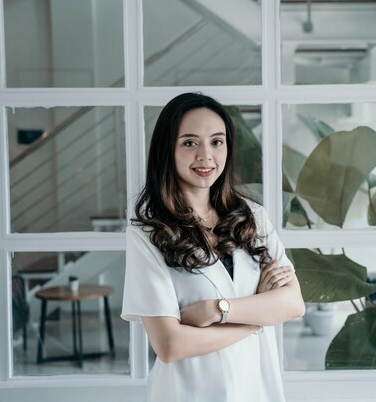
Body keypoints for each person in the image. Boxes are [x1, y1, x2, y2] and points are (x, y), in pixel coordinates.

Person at [121, 92, 305, 402]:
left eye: (216, 142)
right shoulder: (147, 235)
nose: (206, 156)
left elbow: (293, 304)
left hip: (256, 389)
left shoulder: (253, 217)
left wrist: (216, 310)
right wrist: (257, 318)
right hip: (188, 393)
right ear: (168, 150)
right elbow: (169, 345)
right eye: (190, 143)